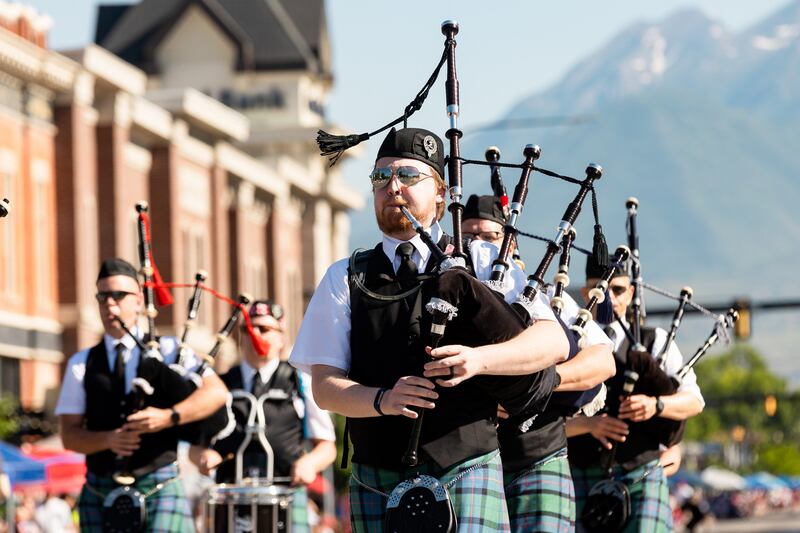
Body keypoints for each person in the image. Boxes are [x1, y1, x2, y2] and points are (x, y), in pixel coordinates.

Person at [290, 127, 569, 531]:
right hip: (378, 480)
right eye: (381, 177)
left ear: (440, 192)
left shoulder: (484, 260)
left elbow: (553, 340)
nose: (393, 187)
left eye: (408, 176)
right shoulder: (345, 276)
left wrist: (480, 360)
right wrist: (383, 399)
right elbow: (325, 386)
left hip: (466, 468)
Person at [462, 194, 616, 532]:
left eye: (489, 237)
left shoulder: (544, 300)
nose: (478, 245)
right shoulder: (447, 298)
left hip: (537, 457)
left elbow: (603, 361)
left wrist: (541, 383)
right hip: (464, 467)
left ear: (510, 241)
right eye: (468, 236)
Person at [56, 258, 228, 532]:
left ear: (138, 299)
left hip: (159, 482)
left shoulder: (169, 350)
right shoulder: (81, 362)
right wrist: (108, 439)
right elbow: (69, 436)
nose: (110, 304)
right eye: (102, 297)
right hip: (100, 488)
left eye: (118, 295)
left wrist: (169, 417)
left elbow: (217, 393)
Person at [566, 255, 705, 532]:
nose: (608, 298)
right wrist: (589, 424)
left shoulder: (654, 341)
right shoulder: (568, 341)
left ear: (630, 293)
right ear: (585, 294)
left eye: (617, 290)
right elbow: (538, 417)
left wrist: (657, 405)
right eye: (599, 288)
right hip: (580, 471)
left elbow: (694, 401)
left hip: (641, 472)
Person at [191, 299, 336, 532]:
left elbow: (327, 448)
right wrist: (202, 457)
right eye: (248, 329)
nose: (255, 334)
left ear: (281, 337)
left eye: (264, 329)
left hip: (285, 496)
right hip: (230, 497)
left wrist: (309, 462)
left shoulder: (300, 382)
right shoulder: (220, 385)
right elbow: (195, 447)